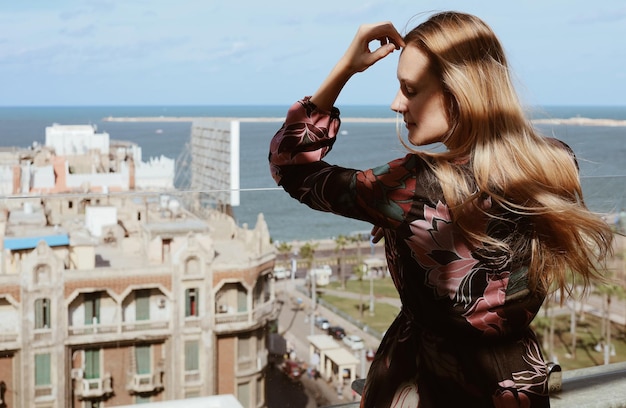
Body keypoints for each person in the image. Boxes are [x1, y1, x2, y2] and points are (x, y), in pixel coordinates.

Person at [268, 11, 613, 408]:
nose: (397, 104)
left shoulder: (414, 185)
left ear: (458, 91)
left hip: (426, 383)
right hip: (518, 383)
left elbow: (290, 165)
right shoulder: (556, 162)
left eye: (410, 90)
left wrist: (346, 68)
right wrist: (407, 229)